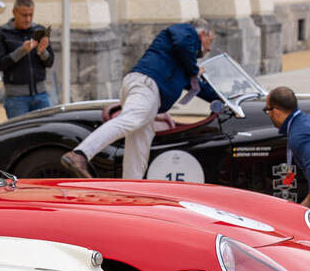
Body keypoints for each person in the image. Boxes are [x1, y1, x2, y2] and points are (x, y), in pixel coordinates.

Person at [61, 19, 219, 179]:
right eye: (210, 41)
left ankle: (130, 187)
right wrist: (194, 68)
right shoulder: (186, 31)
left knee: (139, 144)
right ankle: (80, 154)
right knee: (132, 120)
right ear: (202, 34)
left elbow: (200, 88)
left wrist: (224, 99)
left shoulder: (183, 62)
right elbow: (181, 44)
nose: (209, 48)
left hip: (146, 89)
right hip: (146, 85)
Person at [264, 86, 310, 218]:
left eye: (267, 110)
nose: (268, 114)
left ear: (276, 112)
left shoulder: (299, 134)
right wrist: (306, 205)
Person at [0, 0, 54, 118]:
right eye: (24, 15)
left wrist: (42, 52)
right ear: (14, 12)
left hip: (41, 96)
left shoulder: (39, 30)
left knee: (45, 134)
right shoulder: (2, 33)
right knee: (20, 136)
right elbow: (0, 64)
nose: (28, 19)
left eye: (31, 15)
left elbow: (50, 62)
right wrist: (22, 51)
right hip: (16, 99)